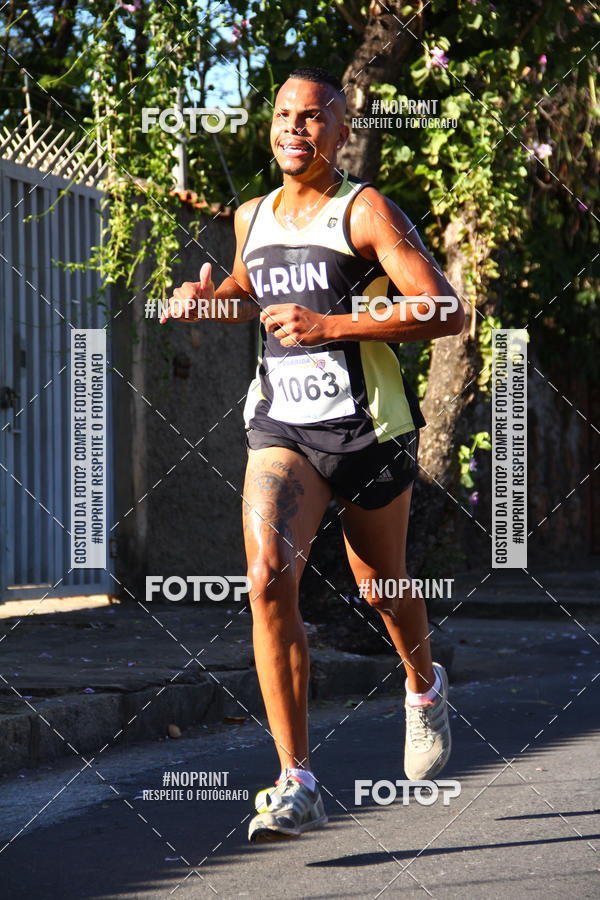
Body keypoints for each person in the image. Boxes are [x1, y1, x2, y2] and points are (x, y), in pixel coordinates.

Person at [162, 66, 464, 843]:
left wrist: (333, 328)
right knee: (266, 580)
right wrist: (211, 299)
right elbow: (250, 289)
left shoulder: (364, 213)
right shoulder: (250, 216)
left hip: (366, 431)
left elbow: (443, 308)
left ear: (342, 131)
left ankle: (423, 686)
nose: (294, 128)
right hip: (281, 428)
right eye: (283, 116)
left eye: (313, 118)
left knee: (382, 590)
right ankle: (294, 780)